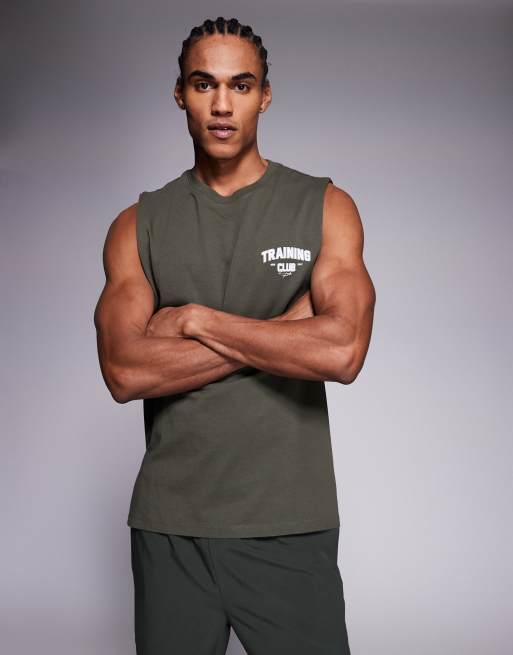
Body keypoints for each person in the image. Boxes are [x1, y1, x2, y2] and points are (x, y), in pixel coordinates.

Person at [94, 15, 375, 655]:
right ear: (180, 94)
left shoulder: (325, 206)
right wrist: (284, 331)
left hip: (288, 523)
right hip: (170, 527)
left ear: (264, 96)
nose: (222, 105)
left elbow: (342, 350)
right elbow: (125, 371)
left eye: (240, 85)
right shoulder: (137, 224)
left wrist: (195, 320)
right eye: (204, 84)